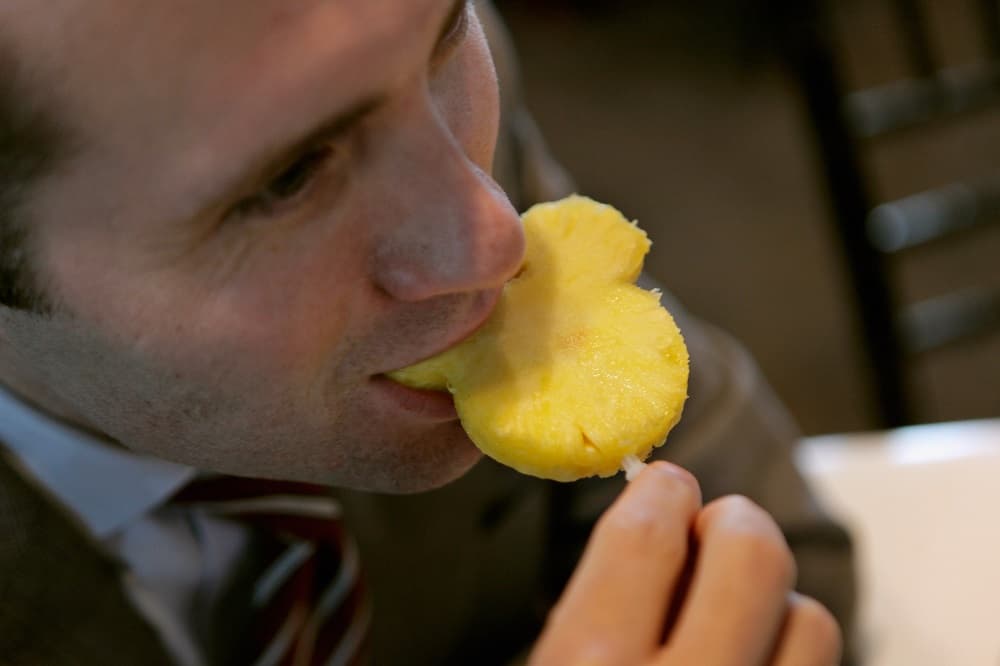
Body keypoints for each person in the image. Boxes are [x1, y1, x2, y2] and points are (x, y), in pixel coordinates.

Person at [0, 0, 851, 664]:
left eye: (448, 34)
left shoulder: (393, 94)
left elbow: (784, 548)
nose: (494, 238)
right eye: (290, 181)